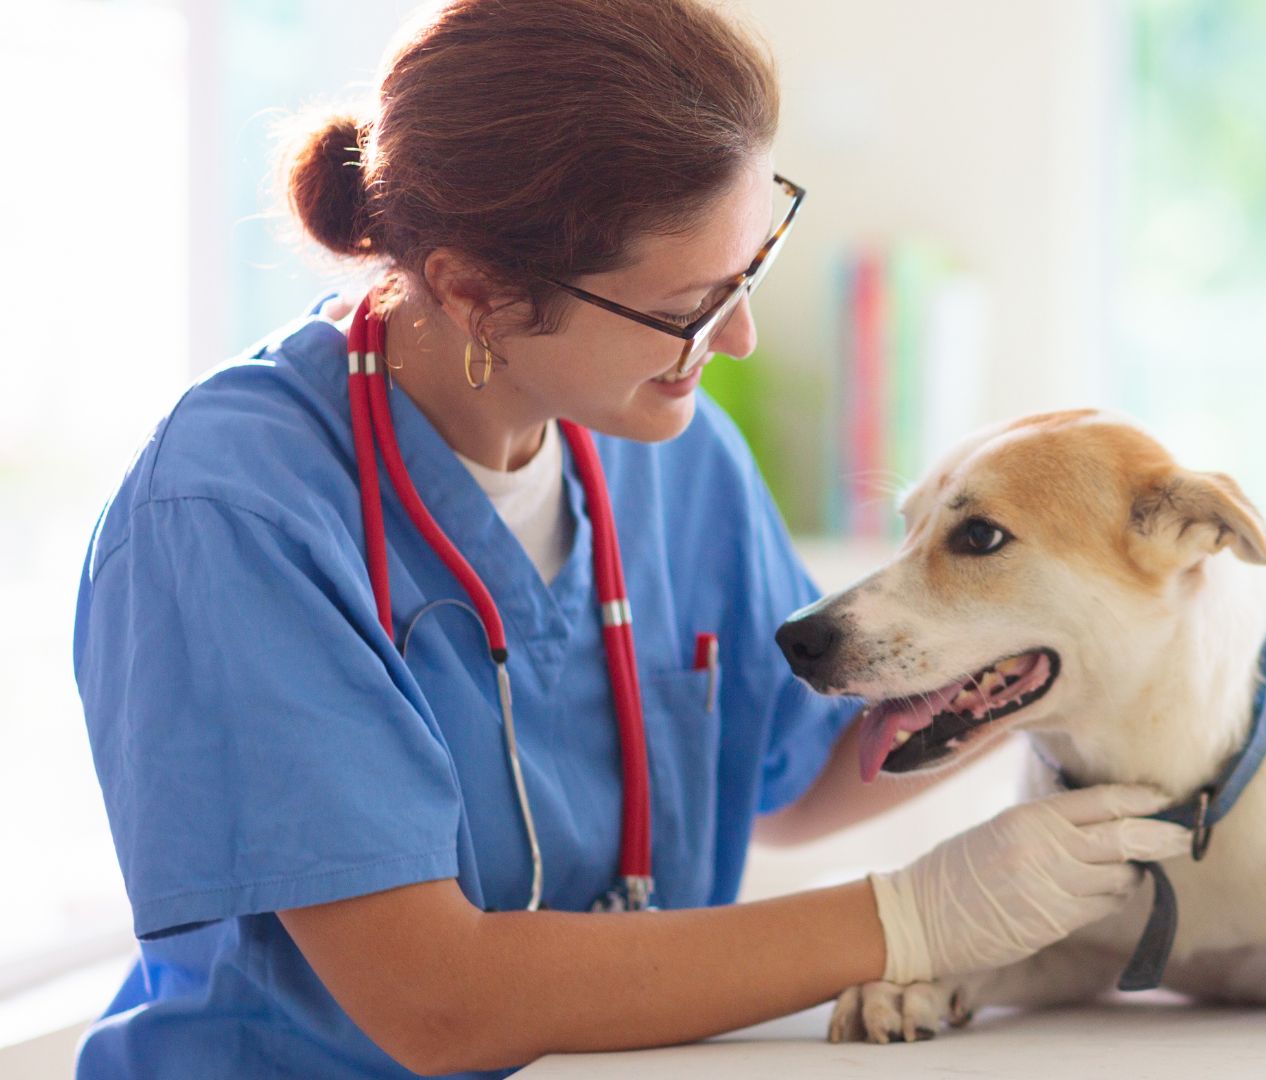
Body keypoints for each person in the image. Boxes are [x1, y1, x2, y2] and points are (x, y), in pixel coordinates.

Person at [70, 1, 1188, 1076]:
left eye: (751, 270)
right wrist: (913, 918)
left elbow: (797, 778)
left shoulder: (671, 451)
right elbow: (432, 1000)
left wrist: (1078, 651)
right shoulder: (230, 516)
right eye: (691, 305)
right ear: (475, 293)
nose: (738, 337)